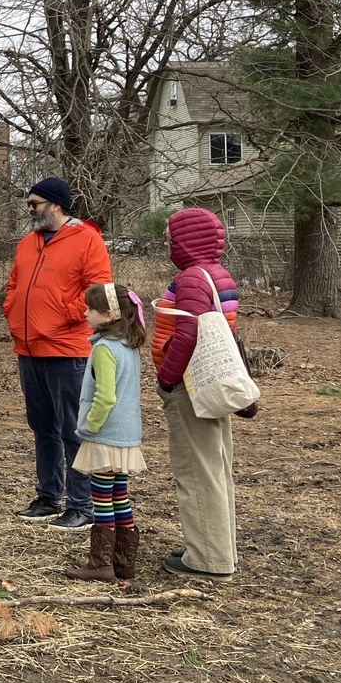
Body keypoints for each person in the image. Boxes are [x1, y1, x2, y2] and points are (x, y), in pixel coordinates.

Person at [2, 177, 112, 530]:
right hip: (29, 348)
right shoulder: (27, 243)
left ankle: (81, 506)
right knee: (42, 427)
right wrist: (11, 308)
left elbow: (99, 293)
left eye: (35, 203)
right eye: (28, 203)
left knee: (72, 429)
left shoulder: (87, 240)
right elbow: (15, 284)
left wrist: (59, 313)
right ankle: (48, 497)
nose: (29, 209)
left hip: (67, 350)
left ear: (57, 205)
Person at [151, 207, 240, 579]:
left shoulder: (191, 279)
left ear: (186, 240)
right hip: (211, 382)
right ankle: (218, 548)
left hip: (191, 386)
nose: (168, 244)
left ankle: (207, 560)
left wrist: (166, 380)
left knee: (196, 471)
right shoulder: (219, 274)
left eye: (172, 237)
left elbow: (188, 334)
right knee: (217, 467)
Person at [64, 283, 148, 582]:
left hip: (105, 435)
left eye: (90, 309)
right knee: (119, 495)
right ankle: (124, 561)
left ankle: (100, 564)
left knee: (101, 498)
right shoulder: (128, 345)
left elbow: (106, 396)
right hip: (126, 435)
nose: (84, 313)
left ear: (109, 315)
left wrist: (89, 426)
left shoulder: (104, 349)